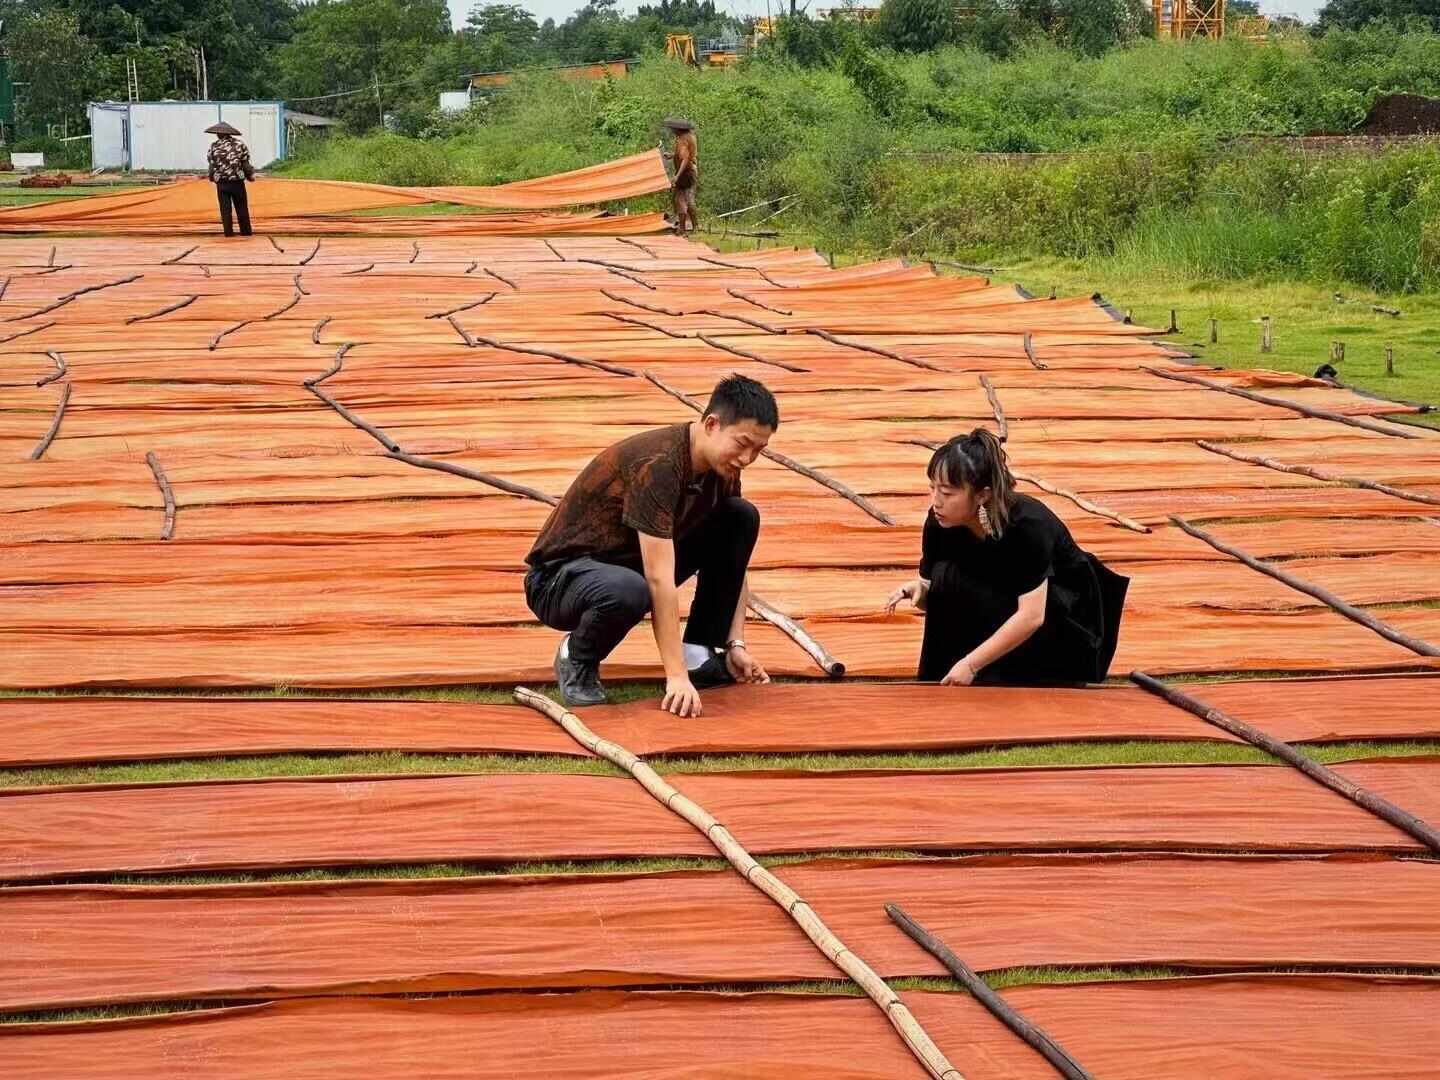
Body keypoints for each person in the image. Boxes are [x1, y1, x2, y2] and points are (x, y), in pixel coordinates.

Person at [525, 374, 778, 715]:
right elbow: (659, 577)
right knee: (632, 589)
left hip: (626, 566)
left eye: (758, 450)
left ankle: (698, 653)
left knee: (739, 516)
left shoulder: (723, 469)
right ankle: (577, 656)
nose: (747, 458)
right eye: (742, 443)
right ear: (711, 424)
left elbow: (734, 562)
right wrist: (674, 678)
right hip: (560, 580)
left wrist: (735, 643)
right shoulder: (659, 465)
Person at [884, 429, 1129, 687]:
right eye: (932, 488)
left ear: (982, 495)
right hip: (1001, 598)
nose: (936, 501)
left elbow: (1033, 615)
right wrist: (918, 591)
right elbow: (933, 592)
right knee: (946, 575)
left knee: (958, 581)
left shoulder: (1027, 525)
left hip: (1062, 618)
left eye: (947, 493)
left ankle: (995, 669)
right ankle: (954, 671)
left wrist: (971, 664)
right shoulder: (939, 523)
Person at [205, 121, 255, 237]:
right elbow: (245, 164)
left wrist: (212, 178)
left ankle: (228, 232)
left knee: (225, 209)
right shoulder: (239, 145)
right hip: (237, 182)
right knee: (241, 207)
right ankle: (246, 232)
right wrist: (250, 176)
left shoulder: (214, 146)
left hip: (222, 183)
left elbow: (212, 167)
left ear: (218, 134)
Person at [663, 117, 698, 234]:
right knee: (689, 199)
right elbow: (687, 154)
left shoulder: (682, 140)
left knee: (680, 200)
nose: (672, 131)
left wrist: (677, 176)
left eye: (673, 129)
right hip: (692, 171)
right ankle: (695, 227)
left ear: (678, 129)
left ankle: (682, 228)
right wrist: (673, 155)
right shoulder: (690, 137)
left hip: (685, 173)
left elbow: (685, 158)